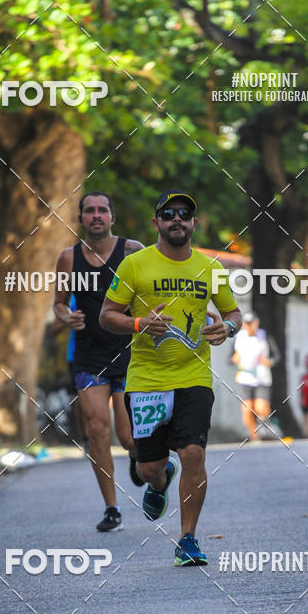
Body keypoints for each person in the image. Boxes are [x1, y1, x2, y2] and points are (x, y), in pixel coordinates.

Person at [99, 190, 242, 566]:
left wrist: (227, 326)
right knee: (149, 468)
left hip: (194, 374)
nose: (177, 219)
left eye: (185, 214)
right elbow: (106, 316)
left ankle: (188, 539)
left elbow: (234, 314)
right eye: (168, 214)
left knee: (194, 451)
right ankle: (160, 479)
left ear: (194, 224)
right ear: (156, 222)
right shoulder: (135, 266)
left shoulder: (211, 268)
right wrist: (138, 323)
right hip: (146, 380)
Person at [53, 191, 145, 532]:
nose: (96, 215)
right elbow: (59, 303)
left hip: (128, 351)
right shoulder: (68, 258)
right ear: (80, 218)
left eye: (102, 210)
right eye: (89, 210)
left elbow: (151, 290)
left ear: (112, 217)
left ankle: (141, 461)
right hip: (89, 356)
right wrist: (67, 317)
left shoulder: (133, 251)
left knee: (127, 436)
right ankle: (112, 508)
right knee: (96, 430)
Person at [231, 312, 273, 440]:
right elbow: (230, 358)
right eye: (246, 324)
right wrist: (234, 358)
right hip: (245, 377)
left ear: (256, 323)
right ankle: (254, 436)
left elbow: (276, 356)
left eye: (251, 323)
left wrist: (269, 362)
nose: (249, 326)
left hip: (261, 376)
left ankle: (266, 423)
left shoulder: (264, 336)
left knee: (261, 408)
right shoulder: (239, 338)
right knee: (247, 409)